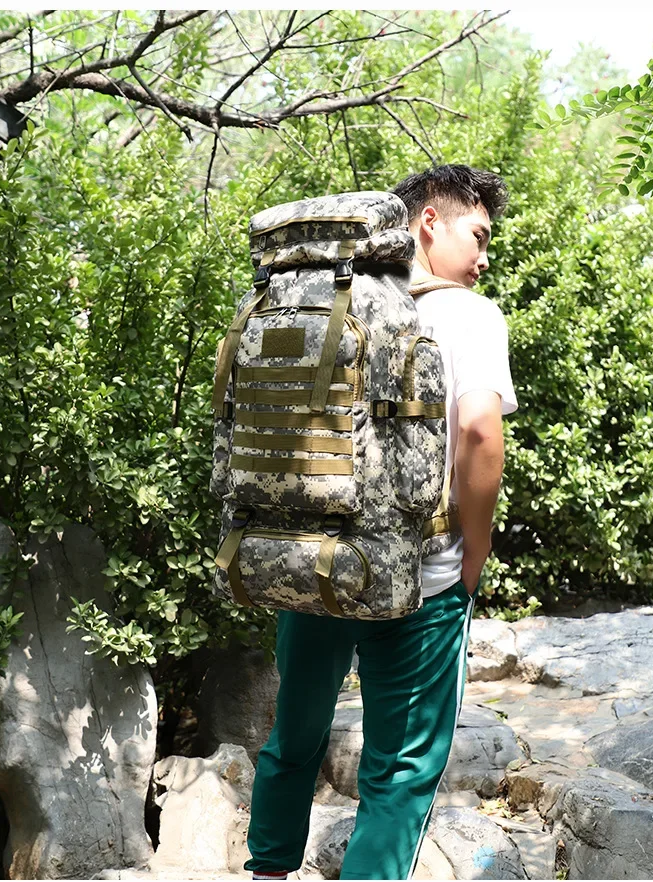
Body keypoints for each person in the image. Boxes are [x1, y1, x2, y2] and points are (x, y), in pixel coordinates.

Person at [244, 164, 518, 881]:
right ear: (429, 221)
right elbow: (480, 432)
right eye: (478, 235)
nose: (485, 257)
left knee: (294, 738)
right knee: (399, 771)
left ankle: (267, 870)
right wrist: (475, 551)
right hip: (422, 578)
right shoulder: (470, 315)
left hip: (315, 559)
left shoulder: (322, 298)